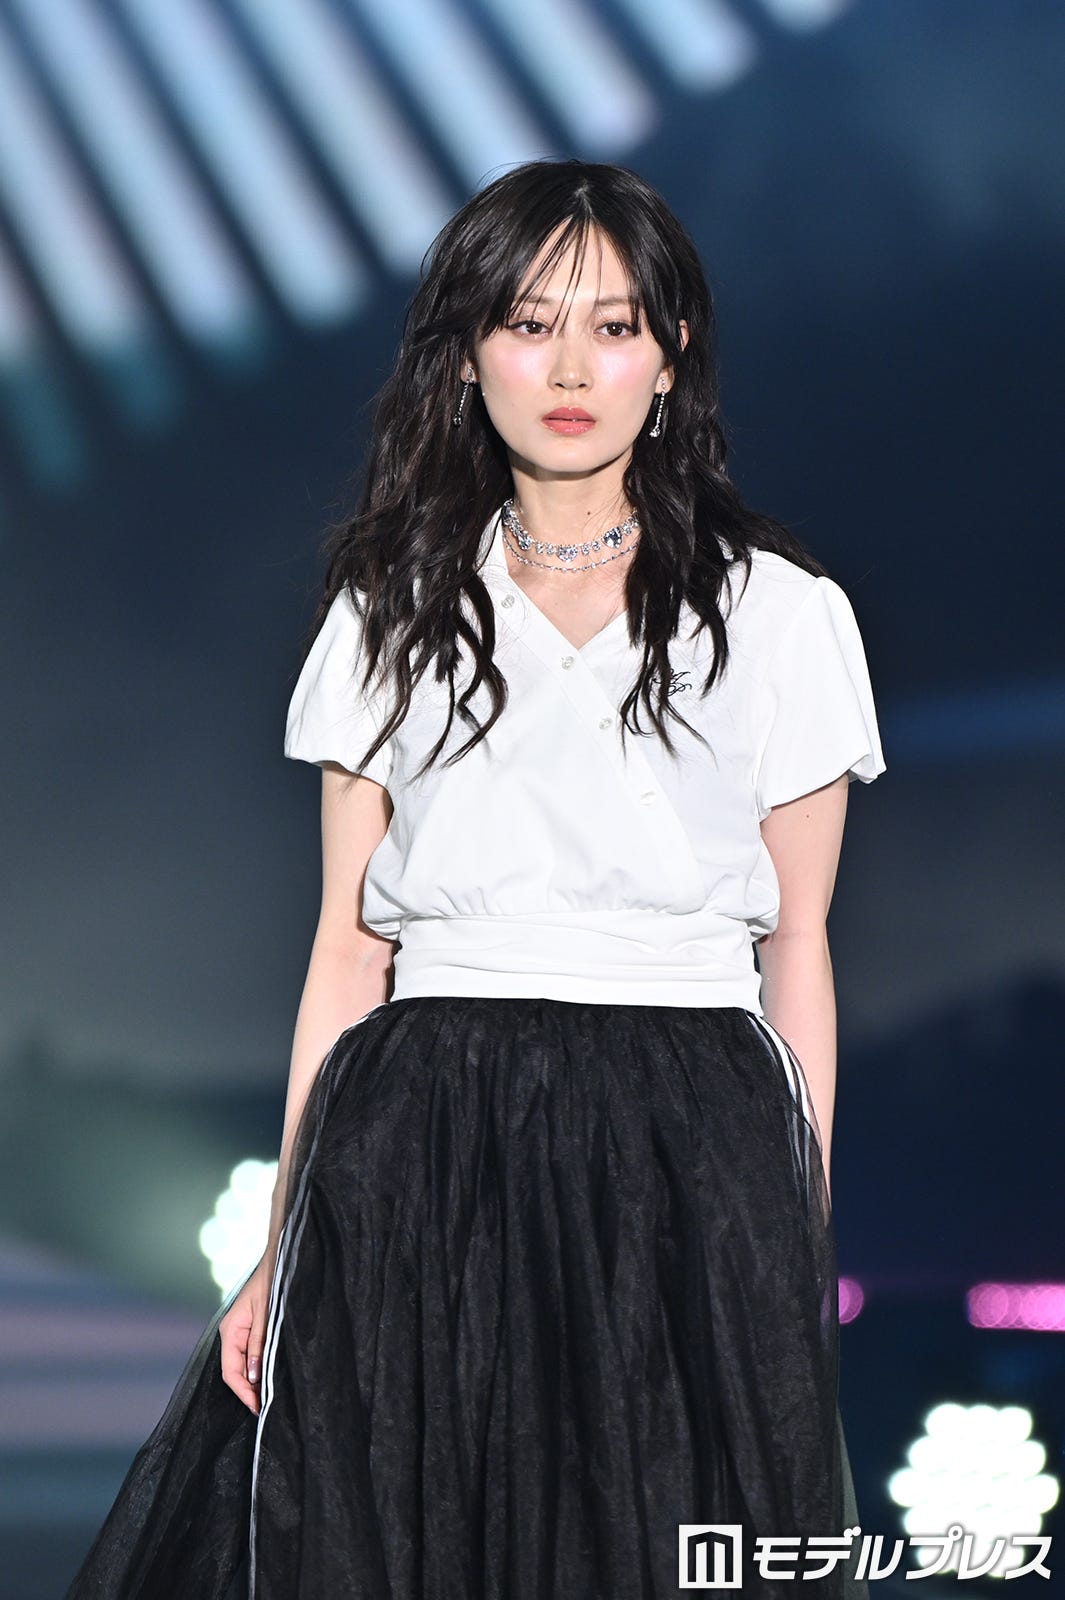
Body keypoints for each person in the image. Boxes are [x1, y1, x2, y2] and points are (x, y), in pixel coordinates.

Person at [64, 159, 885, 1599]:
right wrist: (282, 1243)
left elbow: (798, 946)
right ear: (463, 354)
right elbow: (347, 949)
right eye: (527, 323)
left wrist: (787, 1224)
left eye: (613, 326)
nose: (570, 368)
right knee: (406, 1534)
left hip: (686, 1138)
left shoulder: (780, 615)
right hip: (423, 1136)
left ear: (670, 355)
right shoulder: (391, 609)